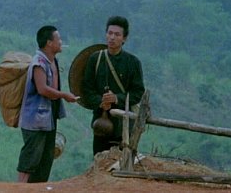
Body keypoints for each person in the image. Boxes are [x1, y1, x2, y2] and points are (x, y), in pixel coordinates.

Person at [17, 25, 79, 183]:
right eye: (58, 39)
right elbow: (42, 89)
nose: (61, 42)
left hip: (48, 118)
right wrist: (64, 95)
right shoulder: (39, 63)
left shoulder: (53, 61)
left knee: (45, 160)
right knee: (31, 158)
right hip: (35, 120)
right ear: (49, 43)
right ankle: (20, 188)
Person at [82, 16, 145, 155]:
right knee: (100, 161)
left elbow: (138, 92)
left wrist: (116, 98)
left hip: (124, 126)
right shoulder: (95, 59)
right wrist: (101, 102)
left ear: (124, 38)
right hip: (100, 125)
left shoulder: (133, 62)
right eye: (110, 33)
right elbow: (87, 90)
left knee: (123, 162)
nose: (112, 37)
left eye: (117, 34)